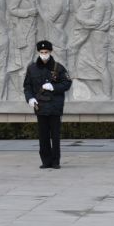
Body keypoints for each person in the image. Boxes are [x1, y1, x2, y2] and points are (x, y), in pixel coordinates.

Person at [24, 40, 73, 170]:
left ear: (50, 52)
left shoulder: (58, 67)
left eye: (46, 52)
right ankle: (46, 161)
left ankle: (55, 161)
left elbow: (67, 83)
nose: (44, 54)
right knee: (43, 135)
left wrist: (53, 87)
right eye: (41, 52)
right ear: (38, 52)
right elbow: (27, 86)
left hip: (55, 106)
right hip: (40, 106)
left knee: (55, 136)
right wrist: (30, 98)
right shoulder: (32, 68)